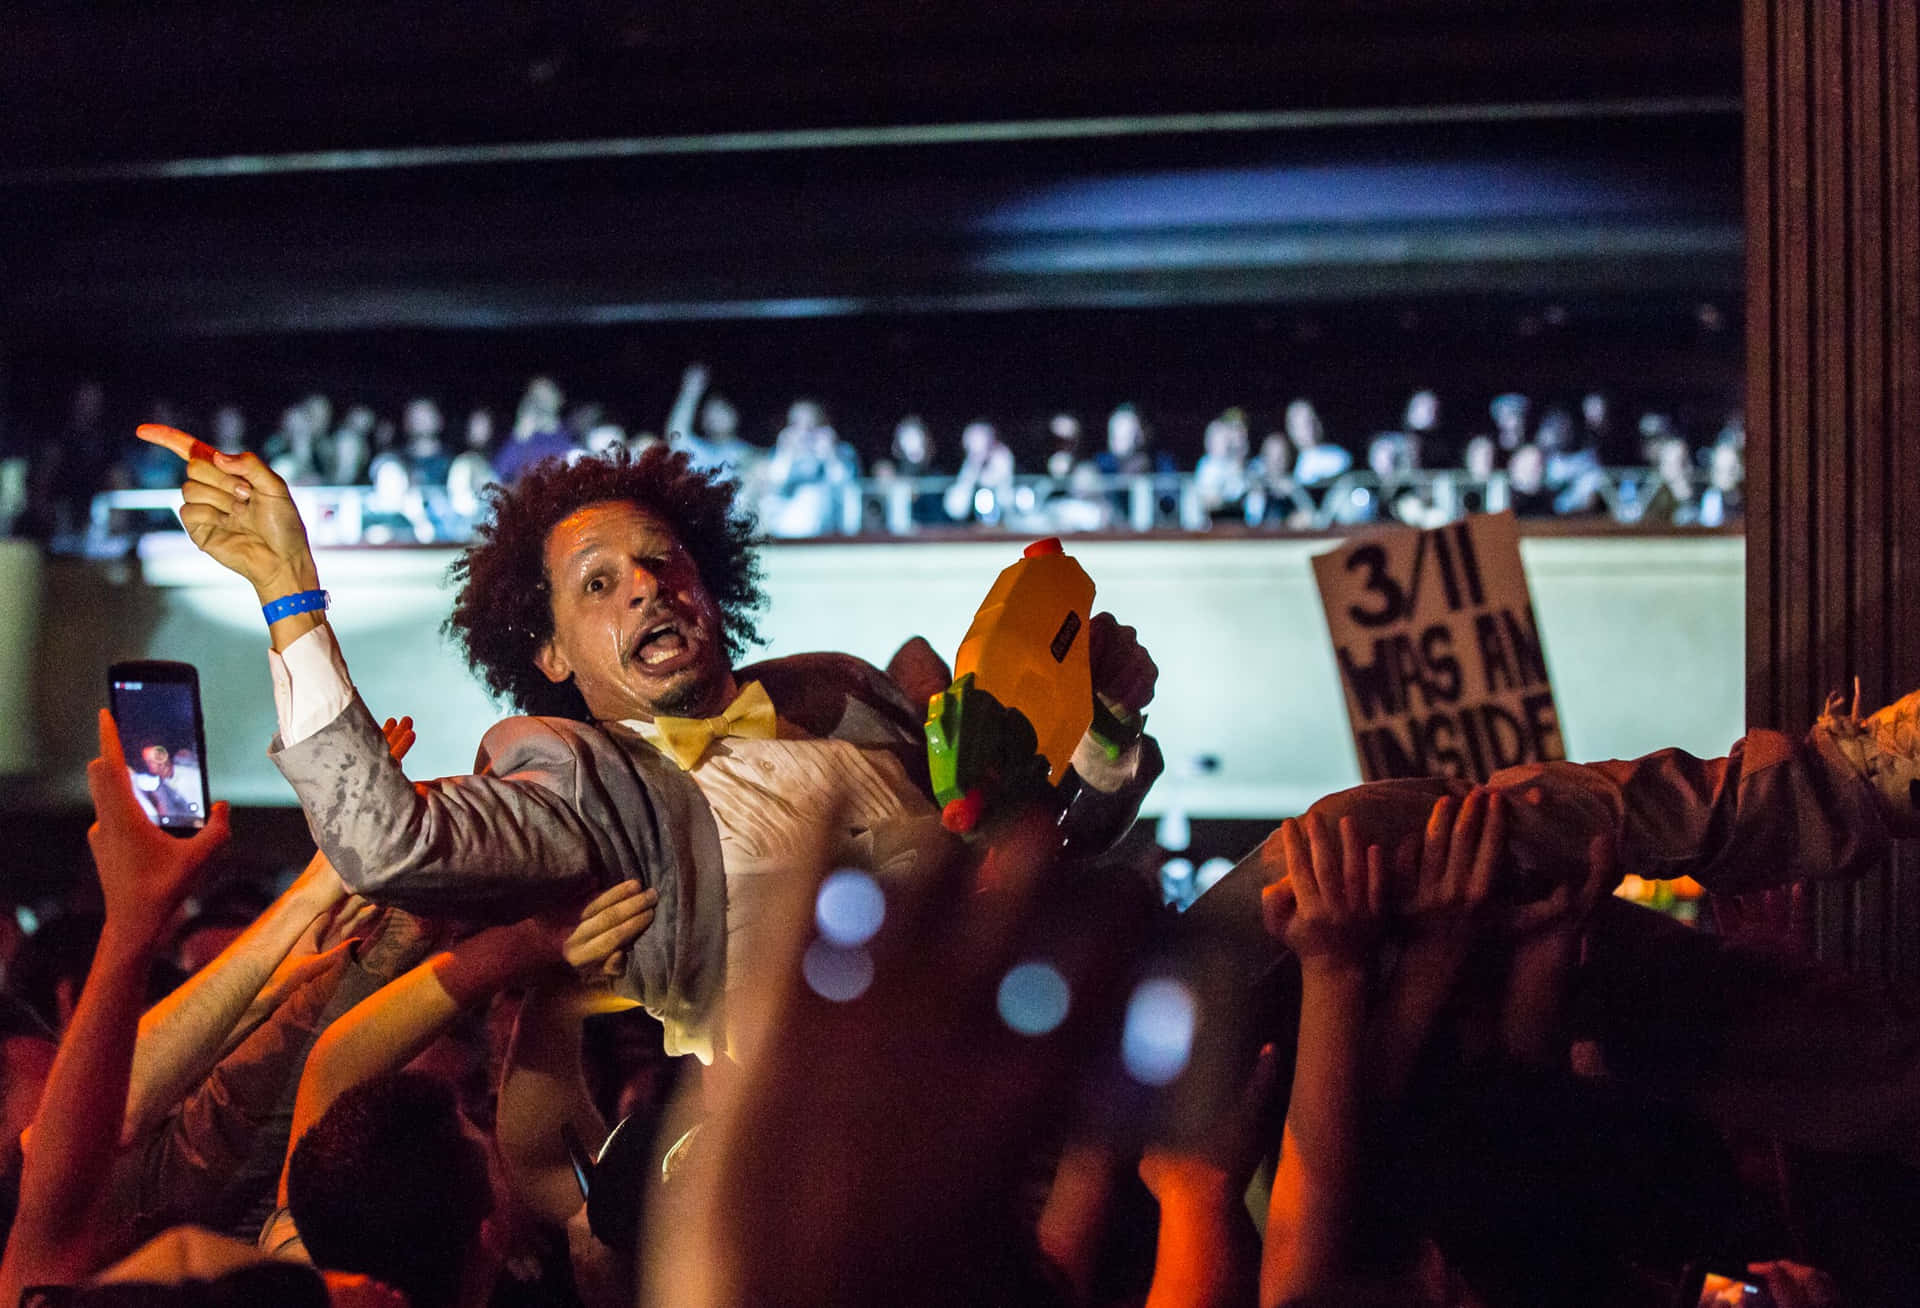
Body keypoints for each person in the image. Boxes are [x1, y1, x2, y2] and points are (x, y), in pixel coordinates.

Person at [136, 427, 1162, 1063]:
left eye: (662, 561)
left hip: (1018, 1096)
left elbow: (1035, 849)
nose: (645, 585)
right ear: (545, 651)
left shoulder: (846, 690)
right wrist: (287, 590)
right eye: (598, 584)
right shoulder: (577, 778)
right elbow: (387, 841)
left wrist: (1105, 738)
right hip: (809, 1186)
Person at [130, 741, 204, 825]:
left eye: (158, 756)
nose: (157, 762)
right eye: (150, 761)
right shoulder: (160, 790)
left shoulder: (193, 775)